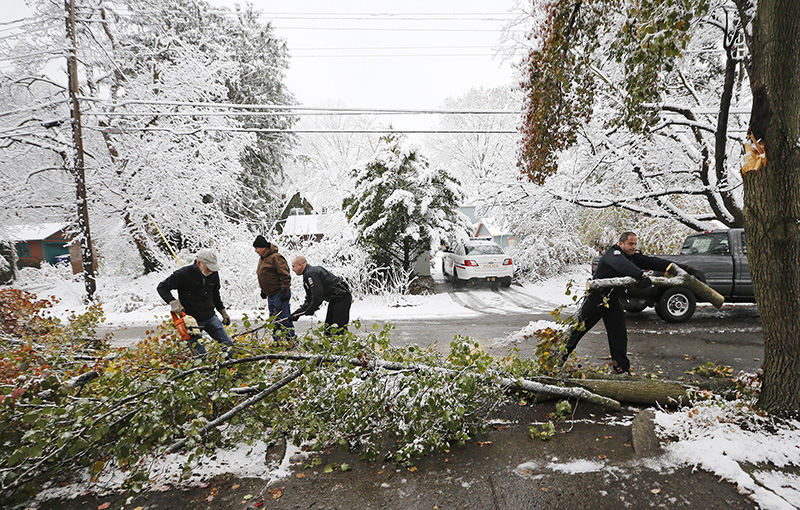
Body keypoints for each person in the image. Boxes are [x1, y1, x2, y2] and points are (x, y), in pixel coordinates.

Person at [561, 232, 675, 374]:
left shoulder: (631, 256)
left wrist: (673, 266)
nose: (633, 247)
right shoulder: (613, 254)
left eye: (635, 244)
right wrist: (640, 275)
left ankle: (621, 367)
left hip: (612, 301)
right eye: (630, 244)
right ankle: (557, 360)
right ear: (621, 244)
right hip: (596, 300)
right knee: (577, 331)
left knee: (619, 335)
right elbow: (621, 264)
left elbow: (650, 261)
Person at [157, 249, 234, 359]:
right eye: (208, 268)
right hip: (191, 320)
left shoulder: (213, 274)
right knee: (200, 355)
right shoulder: (183, 274)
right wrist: (173, 302)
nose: (211, 271)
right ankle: (203, 374)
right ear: (199, 263)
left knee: (228, 345)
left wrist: (223, 311)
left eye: (213, 268)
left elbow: (215, 294)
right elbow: (162, 287)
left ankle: (233, 367)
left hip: (210, 316)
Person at [288, 256, 352, 336]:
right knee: (328, 328)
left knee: (337, 329)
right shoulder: (308, 275)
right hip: (335, 299)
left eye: (293, 266)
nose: (292, 269)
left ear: (300, 265)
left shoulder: (311, 274)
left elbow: (318, 296)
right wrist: (297, 313)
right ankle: (331, 345)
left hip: (342, 298)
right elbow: (310, 299)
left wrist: (311, 309)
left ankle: (339, 346)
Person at [253, 235, 295, 341]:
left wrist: (285, 289)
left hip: (279, 293)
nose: (255, 251)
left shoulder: (276, 257)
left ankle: (291, 340)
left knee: (283, 318)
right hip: (270, 294)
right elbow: (265, 275)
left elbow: (284, 273)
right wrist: (264, 290)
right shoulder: (262, 259)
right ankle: (278, 341)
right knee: (274, 319)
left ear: (264, 248)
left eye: (257, 248)